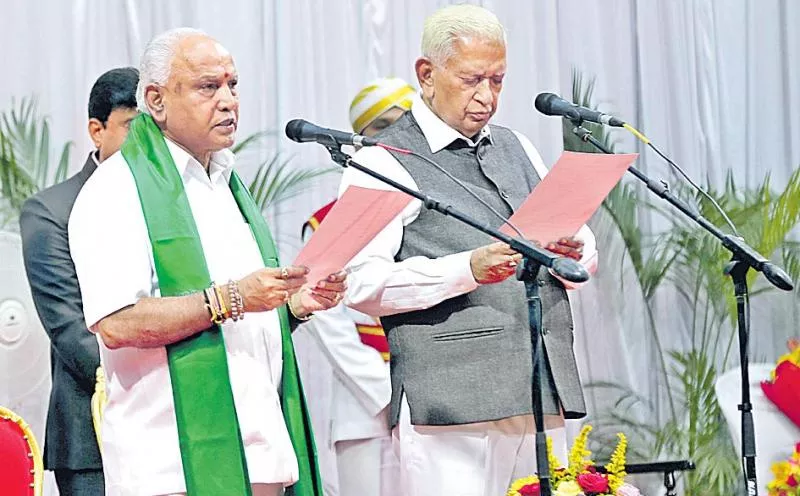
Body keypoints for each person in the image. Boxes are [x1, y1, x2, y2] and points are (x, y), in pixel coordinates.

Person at [68, 28, 345, 496]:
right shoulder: (116, 189)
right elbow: (116, 321)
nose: (228, 101)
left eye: (232, 85)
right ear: (155, 100)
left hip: (259, 454)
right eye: (207, 87)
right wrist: (232, 297)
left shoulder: (228, 184)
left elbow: (242, 317)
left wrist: (292, 304)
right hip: (169, 464)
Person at [338, 5, 598, 495]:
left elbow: (582, 253)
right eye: (472, 79)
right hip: (450, 404)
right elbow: (360, 282)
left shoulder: (517, 145)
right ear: (426, 74)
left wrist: (575, 246)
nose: (486, 98)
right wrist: (467, 269)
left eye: (497, 81)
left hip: (541, 386)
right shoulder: (380, 159)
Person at [19, 66, 139, 496]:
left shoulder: (171, 208)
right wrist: (156, 384)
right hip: (92, 437)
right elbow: (69, 329)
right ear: (97, 130)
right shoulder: (51, 211)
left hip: (173, 429)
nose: (146, 144)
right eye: (131, 127)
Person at [293, 77, 411, 496]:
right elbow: (326, 318)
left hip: (434, 392)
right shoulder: (328, 220)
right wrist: (386, 393)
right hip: (366, 403)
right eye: (386, 125)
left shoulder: (434, 207)